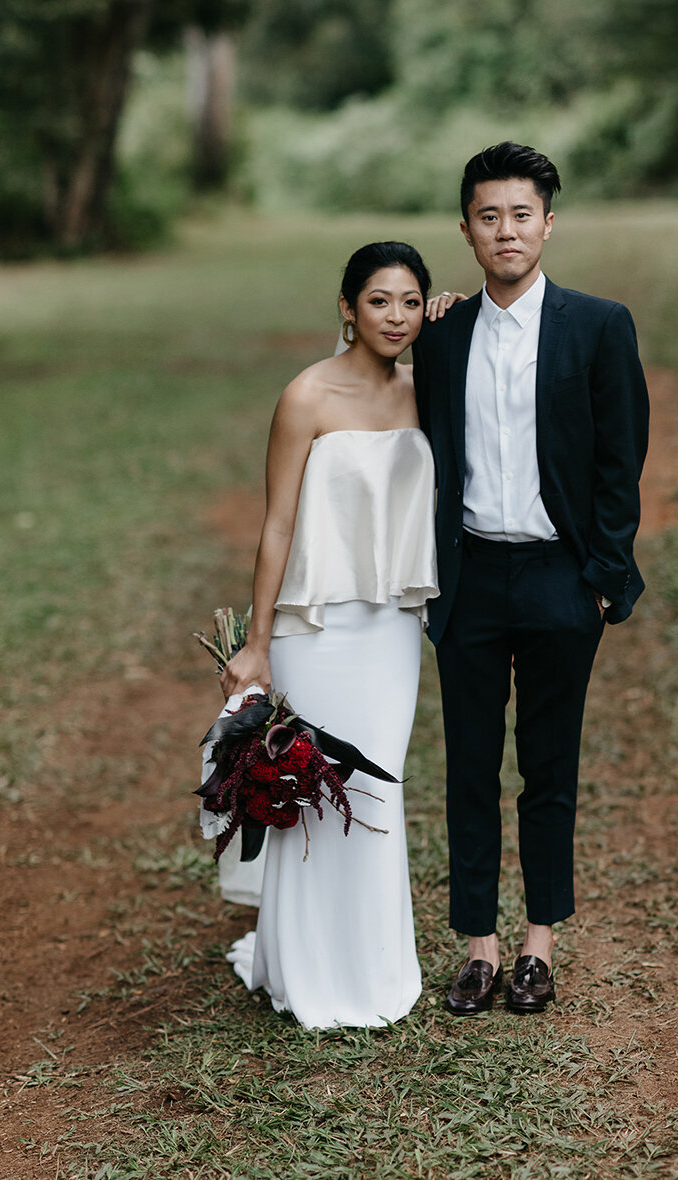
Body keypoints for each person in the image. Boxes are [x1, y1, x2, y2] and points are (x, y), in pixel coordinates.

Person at [414, 142, 649, 1016]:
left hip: (559, 578)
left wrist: (599, 576)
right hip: (469, 576)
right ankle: (477, 944)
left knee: (548, 766)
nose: (505, 230)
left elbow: (621, 461)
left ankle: (538, 944)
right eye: (488, 216)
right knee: (469, 765)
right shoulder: (442, 333)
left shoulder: (598, 325)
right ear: (466, 230)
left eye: (521, 214)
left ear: (548, 223)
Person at [216, 241, 439, 1029]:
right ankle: (303, 969)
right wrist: (257, 642)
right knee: (309, 794)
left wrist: (450, 321)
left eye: (412, 301)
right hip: (315, 626)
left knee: (376, 790)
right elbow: (276, 526)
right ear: (347, 307)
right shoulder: (305, 396)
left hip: (390, 629)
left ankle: (376, 971)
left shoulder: (426, 386)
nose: (395, 317)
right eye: (379, 301)